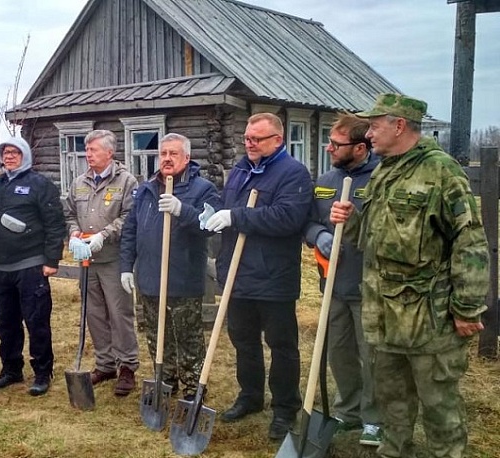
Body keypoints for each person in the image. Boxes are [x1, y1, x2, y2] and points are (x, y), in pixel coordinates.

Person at [331, 93, 489, 458]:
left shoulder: (441, 172)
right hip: (384, 315)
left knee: (439, 406)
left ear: (399, 126)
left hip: (427, 320)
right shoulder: (385, 170)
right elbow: (375, 237)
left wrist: (467, 308)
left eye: (374, 126)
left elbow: (470, 242)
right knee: (393, 401)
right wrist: (351, 220)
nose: (368, 134)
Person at [203, 112, 312, 440]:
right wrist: (214, 213)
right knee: (243, 340)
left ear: (277, 140)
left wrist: (235, 216)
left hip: (273, 275)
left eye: (257, 139)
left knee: (281, 344)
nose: (249, 144)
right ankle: (250, 396)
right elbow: (229, 206)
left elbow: (287, 217)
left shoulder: (293, 173)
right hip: (238, 274)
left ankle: (285, 408)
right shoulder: (241, 170)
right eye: (247, 138)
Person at [120, 133, 220, 401]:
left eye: (173, 154)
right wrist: (126, 266)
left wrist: (182, 210)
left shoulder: (203, 189)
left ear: (187, 157)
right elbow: (130, 230)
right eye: (163, 153)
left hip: (182, 279)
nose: (166, 159)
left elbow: (210, 226)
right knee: (157, 337)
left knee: (187, 338)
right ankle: (165, 382)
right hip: (150, 278)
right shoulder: (146, 190)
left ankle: (193, 388)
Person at [303, 113, 382, 446]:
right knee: (339, 352)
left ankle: (374, 418)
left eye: (336, 144)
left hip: (369, 287)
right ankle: (348, 410)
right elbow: (308, 222)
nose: (329, 148)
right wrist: (318, 235)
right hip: (333, 284)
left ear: (360, 148)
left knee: (372, 355)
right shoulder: (325, 181)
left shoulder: (381, 180)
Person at [0, 137, 65, 396]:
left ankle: (42, 372)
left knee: (36, 321)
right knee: (5, 323)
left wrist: (52, 260)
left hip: (31, 265)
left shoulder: (40, 185)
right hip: (0, 266)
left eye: (15, 152)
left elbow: (55, 224)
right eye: (5, 152)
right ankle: (11, 369)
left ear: (25, 155)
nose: (9, 156)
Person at [64, 130, 140, 396]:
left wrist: (103, 235)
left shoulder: (126, 181)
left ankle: (127, 366)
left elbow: (130, 216)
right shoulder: (79, 182)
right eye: (87, 150)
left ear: (109, 152)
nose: (88, 154)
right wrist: (74, 233)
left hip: (113, 259)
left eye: (93, 150)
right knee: (94, 313)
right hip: (87, 260)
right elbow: (69, 213)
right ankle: (105, 364)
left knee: (119, 313)